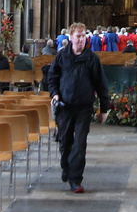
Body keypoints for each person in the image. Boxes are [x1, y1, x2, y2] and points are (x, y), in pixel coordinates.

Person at [43, 22, 112, 193]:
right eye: (78, 36)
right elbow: (52, 77)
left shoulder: (92, 58)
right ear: (71, 38)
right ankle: (66, 167)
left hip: (83, 108)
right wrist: (55, 93)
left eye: (83, 36)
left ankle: (75, 180)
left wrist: (104, 109)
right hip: (64, 106)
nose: (81, 39)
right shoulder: (61, 57)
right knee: (65, 142)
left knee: (80, 144)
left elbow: (101, 84)